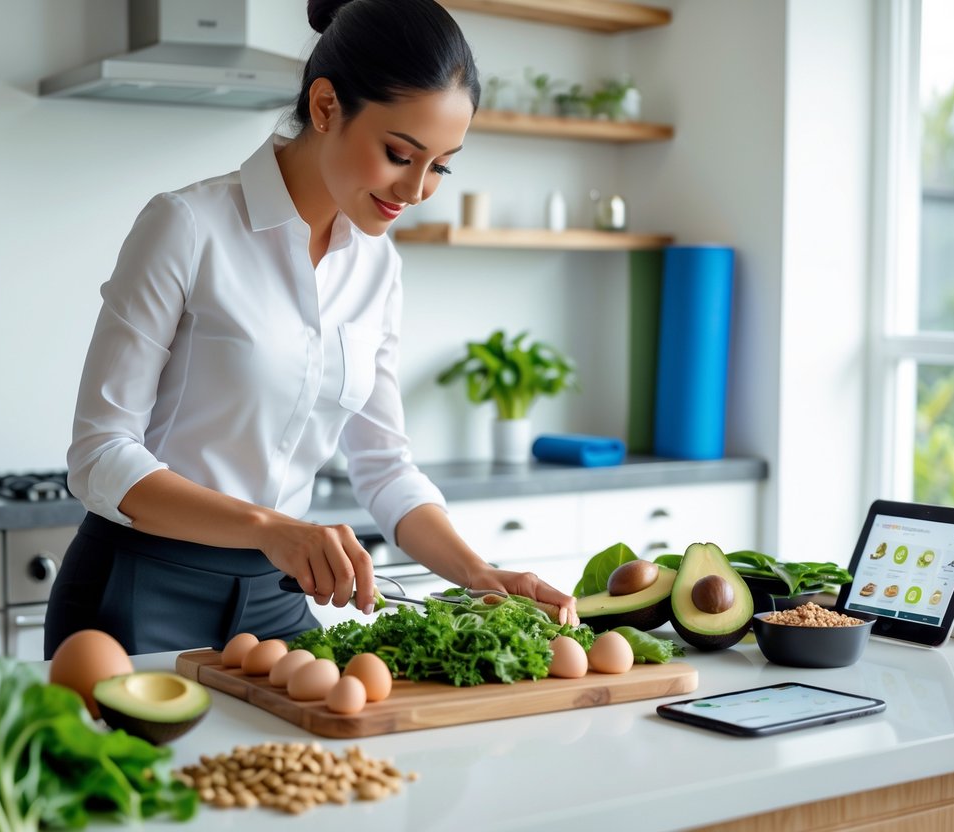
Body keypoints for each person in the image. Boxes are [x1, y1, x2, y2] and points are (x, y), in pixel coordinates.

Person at [44, 0, 579, 659]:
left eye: (439, 165)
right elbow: (98, 456)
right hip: (140, 588)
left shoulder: (377, 265)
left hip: (277, 596)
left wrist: (476, 573)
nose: (415, 190)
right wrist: (273, 528)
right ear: (325, 106)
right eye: (398, 154)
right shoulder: (186, 226)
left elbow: (383, 466)